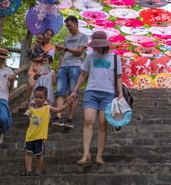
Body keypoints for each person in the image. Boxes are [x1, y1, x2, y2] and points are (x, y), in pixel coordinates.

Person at [69, 31, 123, 165]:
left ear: (105, 45)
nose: (96, 48)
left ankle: (99, 156)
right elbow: (83, 75)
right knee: (88, 120)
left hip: (108, 93)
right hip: (91, 92)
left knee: (102, 123)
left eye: (99, 45)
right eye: (95, 45)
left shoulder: (115, 58)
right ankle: (86, 154)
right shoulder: (90, 56)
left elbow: (118, 77)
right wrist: (75, 90)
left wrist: (120, 93)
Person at [21, 86, 69, 177]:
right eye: (36, 97)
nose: (38, 99)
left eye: (41, 97)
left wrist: (67, 104)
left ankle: (38, 171)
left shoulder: (47, 108)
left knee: (39, 154)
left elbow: (58, 110)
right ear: (33, 98)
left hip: (40, 136)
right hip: (30, 136)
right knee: (28, 153)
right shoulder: (31, 110)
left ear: (45, 99)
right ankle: (28, 170)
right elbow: (28, 114)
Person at [53, 16, 88, 128]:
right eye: (67, 26)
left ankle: (70, 119)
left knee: (73, 93)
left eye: (70, 26)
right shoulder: (67, 39)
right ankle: (58, 117)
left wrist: (65, 48)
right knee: (60, 92)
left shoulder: (83, 36)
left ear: (76, 24)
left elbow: (79, 52)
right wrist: (59, 67)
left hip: (75, 66)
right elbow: (63, 54)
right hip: (63, 67)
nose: (68, 28)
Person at [25, 29, 55, 114]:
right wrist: (39, 59)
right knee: (32, 85)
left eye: (50, 35)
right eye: (47, 34)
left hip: (44, 71)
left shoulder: (52, 48)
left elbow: (49, 60)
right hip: (34, 68)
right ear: (44, 34)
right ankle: (30, 106)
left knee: (42, 89)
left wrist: (49, 72)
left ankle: (41, 108)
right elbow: (30, 57)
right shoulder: (37, 43)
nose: (48, 36)